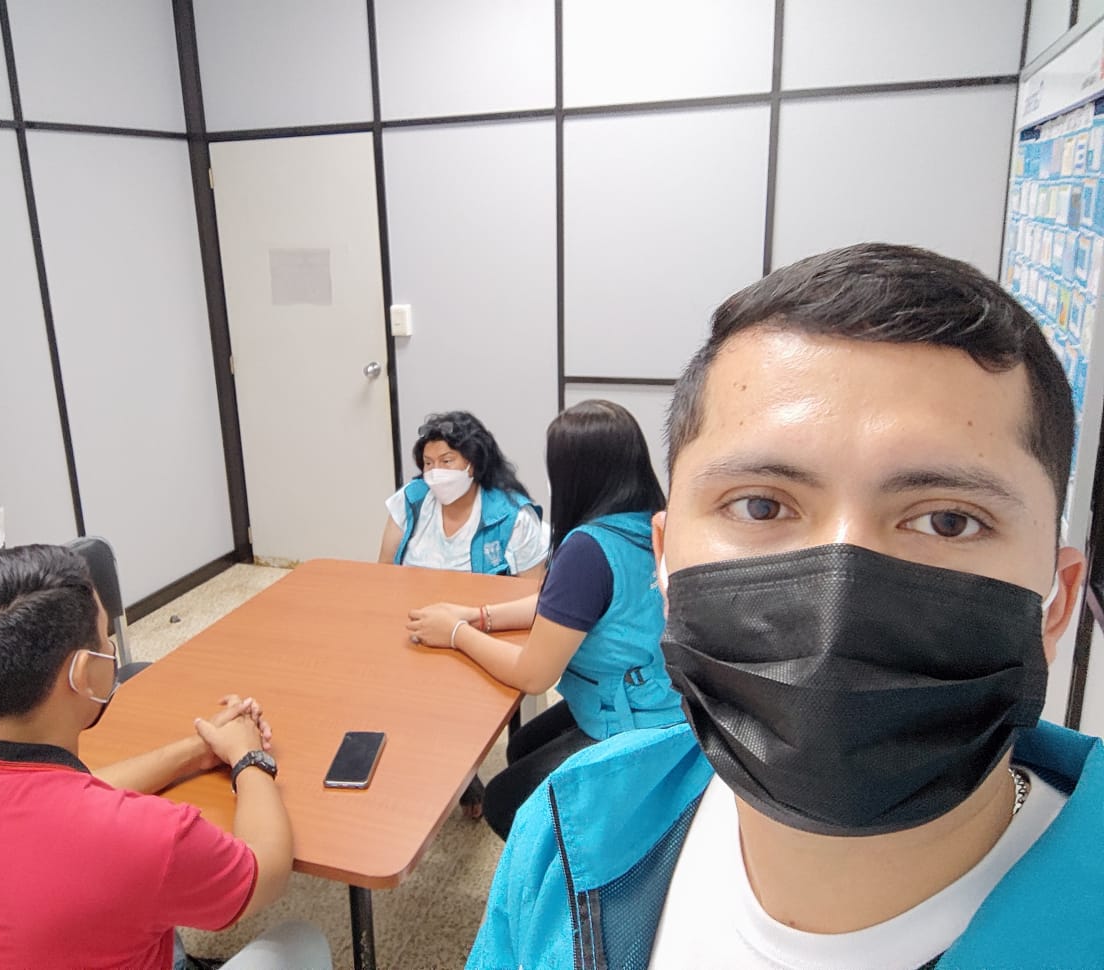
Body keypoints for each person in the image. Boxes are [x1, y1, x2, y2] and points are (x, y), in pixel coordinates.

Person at [468, 243, 1104, 969]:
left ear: (1057, 602)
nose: (838, 599)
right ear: (665, 564)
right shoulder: (568, 832)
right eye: (761, 505)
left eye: (948, 520)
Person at [0, 544, 331, 970]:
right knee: (300, 943)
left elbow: (58, 801)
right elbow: (264, 874)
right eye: (106, 638)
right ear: (85, 673)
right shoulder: (149, 835)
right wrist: (250, 757)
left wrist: (197, 750)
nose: (112, 650)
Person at [407, 400, 684, 839]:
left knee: (505, 801)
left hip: (636, 720)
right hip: (662, 695)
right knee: (521, 745)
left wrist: (457, 634)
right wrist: (479, 616)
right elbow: (562, 604)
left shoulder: (587, 548)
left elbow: (533, 675)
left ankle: (575, 862)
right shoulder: (650, 521)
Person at [379, 411, 548, 582]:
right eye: (428, 463)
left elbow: (533, 591)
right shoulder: (410, 499)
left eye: (446, 461)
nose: (436, 471)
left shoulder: (513, 517)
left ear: (473, 464)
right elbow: (384, 574)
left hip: (482, 600)